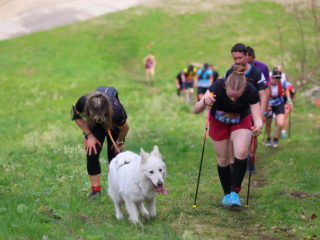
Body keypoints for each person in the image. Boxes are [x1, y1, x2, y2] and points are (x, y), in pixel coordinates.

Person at [193, 65, 263, 207]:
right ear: (226, 86)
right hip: (219, 121)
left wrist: (258, 127)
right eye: (231, 94)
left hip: (241, 120)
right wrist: (204, 102)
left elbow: (258, 118)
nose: (233, 98)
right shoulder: (217, 86)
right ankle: (227, 195)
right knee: (223, 160)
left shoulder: (251, 91)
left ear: (244, 89)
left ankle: (234, 193)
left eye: (237, 96)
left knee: (242, 152)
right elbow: (196, 109)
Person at [71, 86, 129, 199]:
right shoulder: (83, 101)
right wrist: (90, 135)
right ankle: (95, 191)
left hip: (112, 122)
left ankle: (115, 189)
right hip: (93, 124)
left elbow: (125, 128)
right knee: (91, 153)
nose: (98, 119)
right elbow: (75, 116)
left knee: (115, 157)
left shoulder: (116, 112)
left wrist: (120, 141)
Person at [225, 43, 268, 174]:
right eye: (234, 58)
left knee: (254, 136)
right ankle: (233, 163)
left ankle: (251, 159)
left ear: (246, 56)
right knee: (233, 137)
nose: (237, 61)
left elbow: (263, 93)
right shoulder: (230, 72)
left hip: (253, 109)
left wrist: (261, 113)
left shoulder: (256, 73)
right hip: (236, 111)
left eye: (240, 58)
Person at [264, 70, 292, 147]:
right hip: (268, 104)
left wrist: (289, 100)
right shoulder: (266, 82)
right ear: (272, 77)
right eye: (275, 78)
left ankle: (275, 139)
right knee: (268, 123)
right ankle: (268, 138)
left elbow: (286, 89)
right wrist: (265, 105)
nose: (277, 80)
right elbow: (263, 94)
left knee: (280, 123)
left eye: (278, 78)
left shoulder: (282, 81)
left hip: (279, 103)